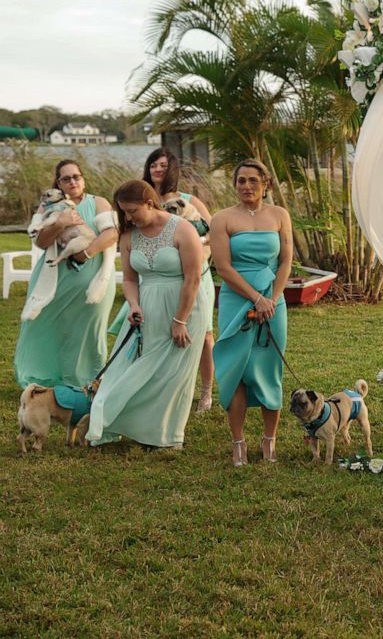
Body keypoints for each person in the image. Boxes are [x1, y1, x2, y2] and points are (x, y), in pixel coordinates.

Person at [86, 180, 212, 448]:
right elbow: (130, 280)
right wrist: (133, 305)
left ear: (150, 202)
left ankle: (168, 435)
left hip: (186, 304)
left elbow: (193, 278)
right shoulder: (129, 236)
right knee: (146, 367)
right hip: (148, 304)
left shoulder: (183, 229)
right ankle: (136, 424)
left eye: (133, 211)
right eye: (124, 212)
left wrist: (180, 320)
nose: (128, 217)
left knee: (175, 371)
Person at [110, 148, 217, 411]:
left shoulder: (186, 200)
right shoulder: (132, 202)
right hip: (151, 282)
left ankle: (204, 391)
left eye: (164, 165)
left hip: (193, 275)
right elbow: (130, 276)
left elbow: (212, 231)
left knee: (202, 336)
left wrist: (196, 245)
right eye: (154, 164)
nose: (158, 169)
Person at [211, 159, 293, 466]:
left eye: (253, 181)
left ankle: (269, 440)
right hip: (237, 298)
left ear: (266, 184)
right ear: (235, 185)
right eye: (241, 181)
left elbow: (286, 261)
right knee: (237, 372)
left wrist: (271, 298)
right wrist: (255, 298)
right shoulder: (222, 218)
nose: (247, 187)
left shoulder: (280, 215)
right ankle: (239, 443)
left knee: (270, 367)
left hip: (274, 300)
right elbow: (223, 267)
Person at [14, 159, 118, 388]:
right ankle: (43, 378)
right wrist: (60, 223)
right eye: (66, 178)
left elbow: (111, 234)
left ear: (83, 178)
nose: (72, 181)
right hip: (54, 278)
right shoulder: (48, 206)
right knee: (45, 325)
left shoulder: (98, 202)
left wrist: (86, 253)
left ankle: (89, 379)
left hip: (93, 279)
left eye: (76, 176)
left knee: (89, 331)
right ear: (58, 183)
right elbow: (40, 242)